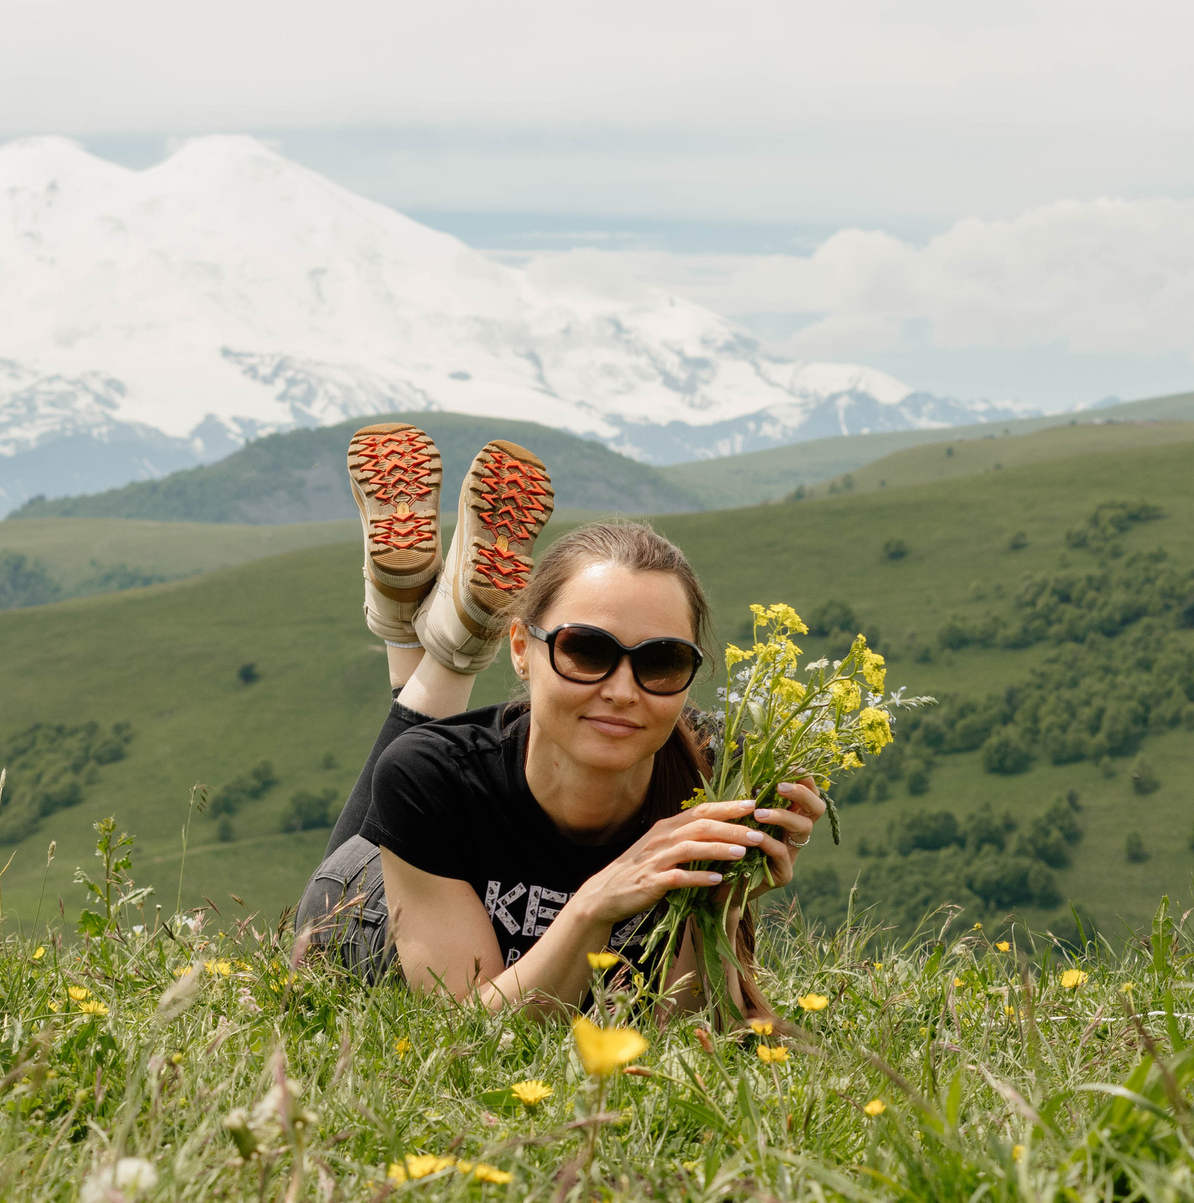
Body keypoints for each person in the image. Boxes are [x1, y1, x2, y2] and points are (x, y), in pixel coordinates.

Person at [294, 423, 822, 1020]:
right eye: (587, 652)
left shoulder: (718, 779)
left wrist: (724, 900)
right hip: (370, 906)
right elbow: (467, 1036)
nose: (623, 691)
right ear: (520, 647)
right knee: (421, 766)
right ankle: (448, 640)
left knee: (429, 753)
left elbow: (689, 1028)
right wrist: (597, 899)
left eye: (663, 661)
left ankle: (423, 621)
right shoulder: (431, 779)